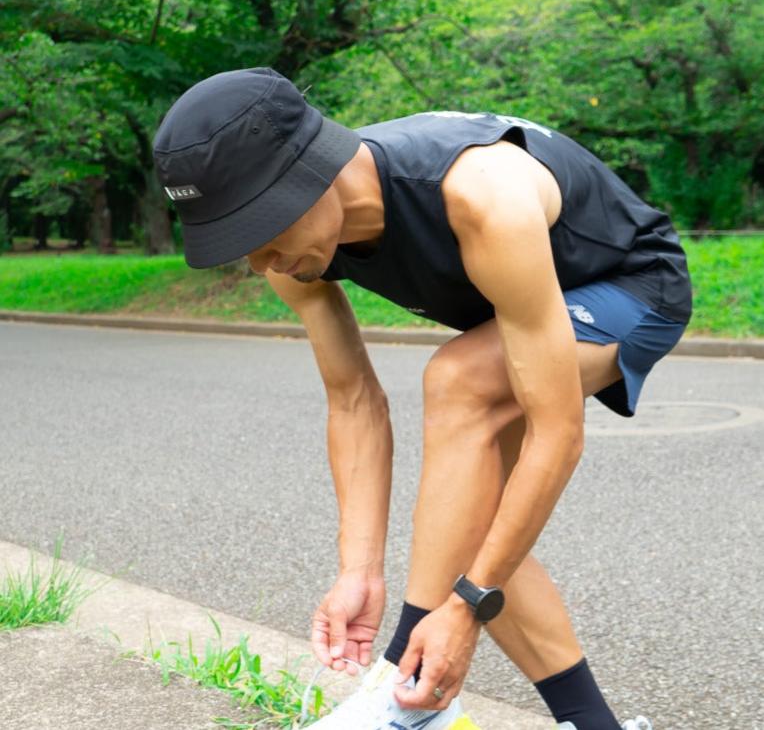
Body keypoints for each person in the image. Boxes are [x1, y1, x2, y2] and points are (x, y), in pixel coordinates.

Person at [153, 67, 691, 730]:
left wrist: (461, 612)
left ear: (311, 172)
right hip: (521, 313)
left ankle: (401, 684)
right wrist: (361, 570)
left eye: (263, 230)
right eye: (240, 242)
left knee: (458, 380)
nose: (263, 263)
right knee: (474, 521)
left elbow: (559, 433)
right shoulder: (292, 251)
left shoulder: (481, 193)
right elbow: (352, 400)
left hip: (633, 284)